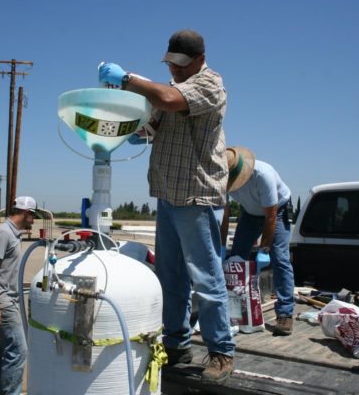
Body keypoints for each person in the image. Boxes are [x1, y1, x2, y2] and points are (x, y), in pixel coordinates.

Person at [99, 29, 235, 384]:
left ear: (200, 60)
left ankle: (221, 351)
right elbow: (155, 121)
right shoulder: (173, 91)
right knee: (170, 276)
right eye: (171, 64)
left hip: (195, 195)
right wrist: (131, 127)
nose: (174, 70)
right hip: (169, 195)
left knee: (206, 277)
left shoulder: (210, 85)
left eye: (181, 64)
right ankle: (176, 341)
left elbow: (170, 100)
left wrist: (127, 79)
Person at [226, 147, 296, 336]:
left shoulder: (262, 175)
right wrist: (219, 243)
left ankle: (285, 313)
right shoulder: (221, 176)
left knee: (279, 258)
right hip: (249, 213)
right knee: (235, 260)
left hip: (277, 211)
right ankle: (234, 310)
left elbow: (271, 217)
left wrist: (264, 249)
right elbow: (224, 213)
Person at [0, 196, 42, 395]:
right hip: (1, 302)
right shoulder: (3, 233)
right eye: (33, 215)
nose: (34, 219)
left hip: (4, 300)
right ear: (25, 213)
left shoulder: (14, 233)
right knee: (18, 351)